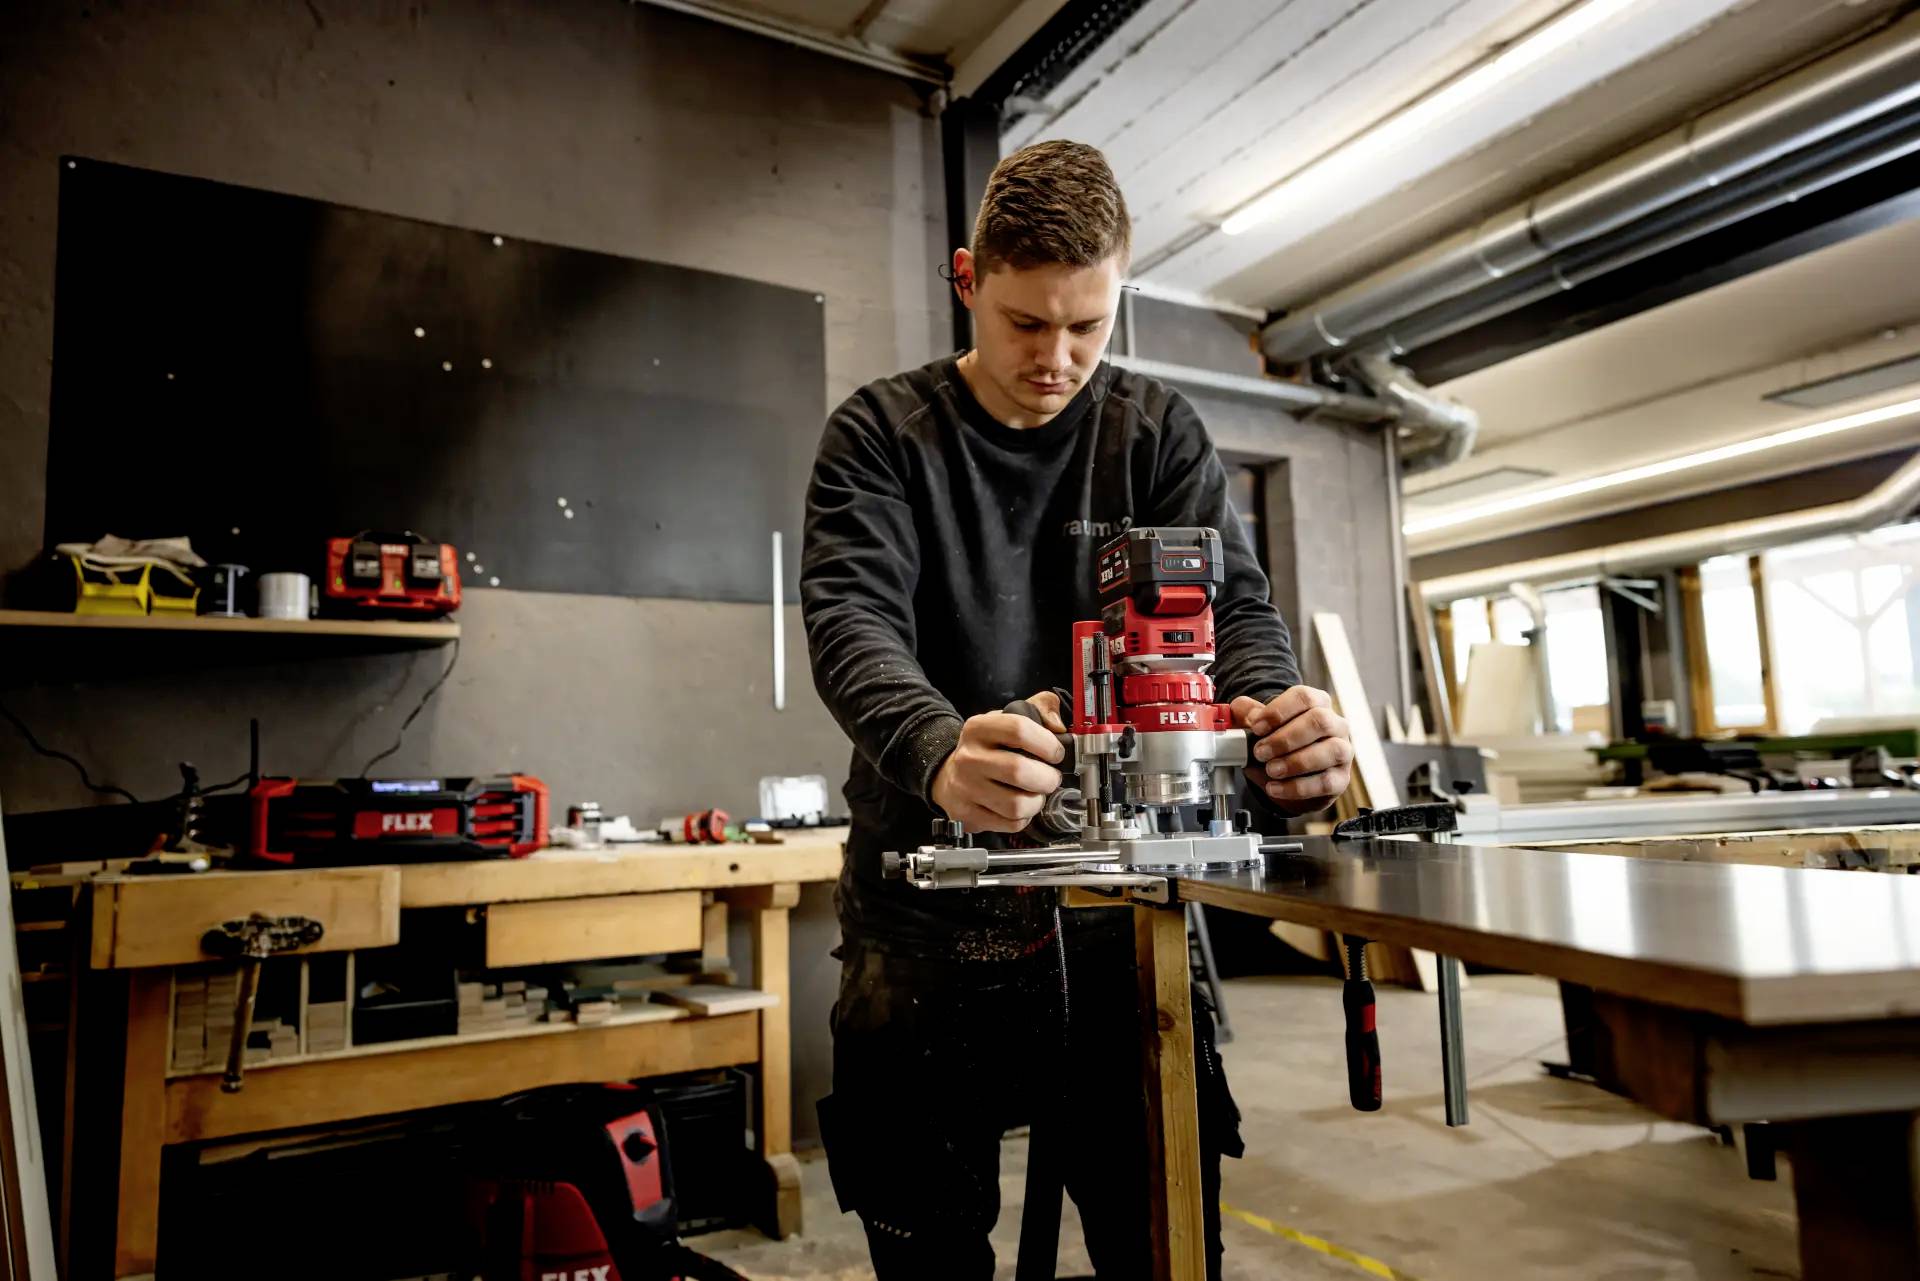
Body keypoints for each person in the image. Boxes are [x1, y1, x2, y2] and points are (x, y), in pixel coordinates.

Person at [802, 139, 1355, 1280]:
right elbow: (852, 624)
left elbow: (1231, 613)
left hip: (1125, 900)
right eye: (1024, 323)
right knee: (927, 1237)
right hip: (925, 902)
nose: (1057, 360)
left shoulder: (1155, 433)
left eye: (1088, 327)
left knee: (1157, 1230)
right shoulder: (881, 435)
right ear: (968, 280)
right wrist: (939, 748)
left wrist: (1273, 713)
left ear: (1120, 298)